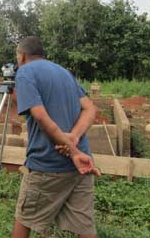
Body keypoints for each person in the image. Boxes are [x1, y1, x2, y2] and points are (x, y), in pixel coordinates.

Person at [11, 37, 101, 238]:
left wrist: (69, 145)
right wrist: (74, 138)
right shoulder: (64, 72)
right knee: (84, 227)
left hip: (48, 165)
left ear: (22, 55)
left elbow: (41, 116)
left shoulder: (25, 72)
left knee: (24, 220)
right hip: (82, 164)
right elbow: (90, 108)